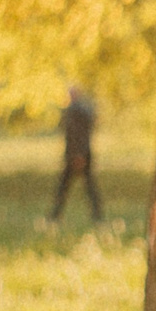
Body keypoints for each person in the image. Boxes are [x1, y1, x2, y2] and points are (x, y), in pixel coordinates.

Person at [48, 87, 101, 223]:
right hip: (76, 154)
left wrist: (79, 155)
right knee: (69, 187)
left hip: (78, 155)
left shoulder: (77, 112)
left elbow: (79, 136)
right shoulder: (78, 111)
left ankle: (96, 215)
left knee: (81, 187)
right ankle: (55, 216)